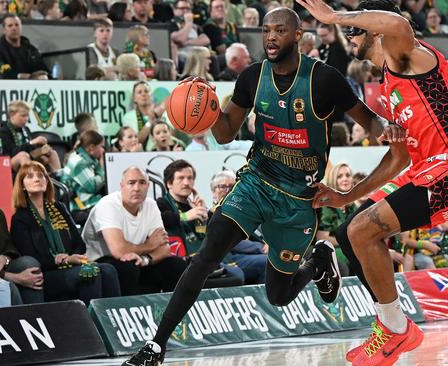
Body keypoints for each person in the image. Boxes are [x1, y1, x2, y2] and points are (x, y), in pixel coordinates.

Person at [122, 7, 387, 365]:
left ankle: (319, 260)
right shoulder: (251, 77)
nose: (272, 37)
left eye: (280, 30)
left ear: (298, 36)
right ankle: (156, 345)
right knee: (207, 254)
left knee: (278, 295)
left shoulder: (324, 79)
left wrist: (391, 130)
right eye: (266, 31)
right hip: (257, 182)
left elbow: (370, 123)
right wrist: (209, 107)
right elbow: (226, 131)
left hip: (298, 200)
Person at [298, 0, 448, 364]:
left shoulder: (408, 56)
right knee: (347, 233)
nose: (348, 37)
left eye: (353, 30)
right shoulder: (388, 88)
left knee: (363, 231)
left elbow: (399, 24)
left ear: (374, 30)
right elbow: (399, 157)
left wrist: (335, 16)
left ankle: (396, 329)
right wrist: (346, 195)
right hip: (425, 167)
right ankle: (392, 325)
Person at [11, 162, 121, 305]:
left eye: (41, 175)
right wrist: (63, 260)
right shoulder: (20, 218)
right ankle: (89, 322)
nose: (37, 179)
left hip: (72, 265)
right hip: (48, 274)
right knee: (90, 272)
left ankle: (112, 320)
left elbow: (78, 244)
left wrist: (72, 257)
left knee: (108, 269)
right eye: (30, 176)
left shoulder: (59, 208)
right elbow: (31, 257)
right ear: (23, 186)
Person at [83, 167, 188, 296]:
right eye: (131, 183)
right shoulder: (108, 205)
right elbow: (119, 251)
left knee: (176, 265)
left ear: (148, 186)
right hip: (100, 261)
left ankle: (171, 313)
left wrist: (146, 260)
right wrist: (150, 245)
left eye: (142, 183)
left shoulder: (150, 205)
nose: (137, 188)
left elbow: (165, 249)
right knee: (128, 266)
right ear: (122, 186)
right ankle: (124, 313)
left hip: (138, 259)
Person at [155, 161, 247, 286]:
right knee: (236, 276)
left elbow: (202, 235)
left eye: (190, 178)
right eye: (181, 178)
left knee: (239, 273)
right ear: (169, 183)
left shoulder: (193, 205)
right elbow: (162, 218)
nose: (187, 183)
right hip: (182, 263)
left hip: (204, 257)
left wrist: (203, 219)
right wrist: (186, 216)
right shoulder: (161, 203)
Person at [0, 161, 43, 304]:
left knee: (30, 264)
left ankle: (38, 316)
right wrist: (15, 277)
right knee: (10, 286)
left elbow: (9, 244)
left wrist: (4, 257)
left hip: (0, 265)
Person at [0, 100, 61, 173]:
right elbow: (12, 151)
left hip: (28, 156)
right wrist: (32, 142)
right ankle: (31, 178)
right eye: (23, 115)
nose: (26, 119)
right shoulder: (4, 130)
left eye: (27, 115)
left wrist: (41, 150)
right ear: (12, 115)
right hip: (9, 161)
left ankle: (59, 178)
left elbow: (30, 149)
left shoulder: (26, 129)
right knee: (22, 155)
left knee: (52, 153)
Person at [317, 163, 356, 276]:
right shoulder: (325, 202)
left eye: (348, 175)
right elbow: (322, 237)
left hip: (347, 246)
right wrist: (349, 241)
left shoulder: (352, 205)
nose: (345, 179)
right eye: (340, 176)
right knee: (351, 258)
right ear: (333, 180)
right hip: (326, 248)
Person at [60, 130, 106, 223]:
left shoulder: (87, 158)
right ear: (91, 147)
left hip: (84, 200)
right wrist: (102, 166)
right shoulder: (79, 162)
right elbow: (93, 187)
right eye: (101, 146)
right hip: (78, 206)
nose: (103, 150)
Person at [0, 15, 48, 79]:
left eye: (17, 25)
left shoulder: (31, 49)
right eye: (10, 26)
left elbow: (43, 68)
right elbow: (2, 71)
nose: (14, 28)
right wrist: (20, 76)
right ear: (4, 30)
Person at [121, 81, 168, 149]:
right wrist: (150, 122)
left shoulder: (162, 113)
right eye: (139, 92)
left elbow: (171, 136)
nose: (143, 94)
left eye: (146, 91)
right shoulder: (129, 117)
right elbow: (135, 141)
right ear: (134, 98)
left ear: (151, 95)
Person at [169, 0, 211, 65]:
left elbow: (206, 40)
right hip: (183, 58)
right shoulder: (172, 25)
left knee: (213, 59)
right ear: (175, 10)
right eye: (182, 8)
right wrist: (188, 24)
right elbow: (180, 39)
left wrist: (187, 42)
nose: (185, 11)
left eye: (188, 9)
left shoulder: (195, 26)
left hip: (198, 55)